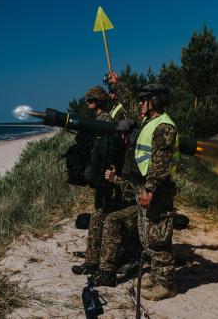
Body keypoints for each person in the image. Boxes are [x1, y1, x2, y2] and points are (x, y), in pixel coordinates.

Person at [97, 73, 179, 300]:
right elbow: (132, 107)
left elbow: (161, 163)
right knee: (147, 236)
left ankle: (167, 284)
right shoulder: (149, 122)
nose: (140, 105)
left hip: (158, 191)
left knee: (158, 237)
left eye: (145, 101)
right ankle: (156, 275)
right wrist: (118, 84)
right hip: (145, 187)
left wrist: (150, 188)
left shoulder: (164, 127)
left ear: (154, 102)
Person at [71, 85, 125, 276]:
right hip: (103, 179)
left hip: (108, 180)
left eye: (91, 100)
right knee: (98, 218)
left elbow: (108, 152)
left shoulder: (105, 121)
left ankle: (95, 263)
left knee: (99, 219)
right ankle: (94, 260)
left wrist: (107, 176)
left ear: (99, 101)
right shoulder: (100, 121)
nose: (88, 103)